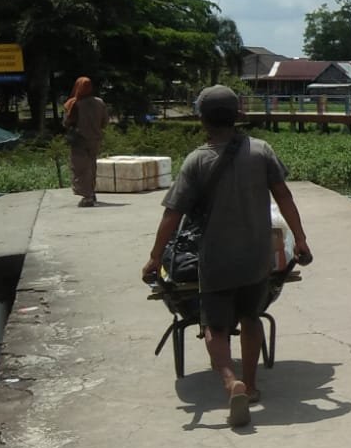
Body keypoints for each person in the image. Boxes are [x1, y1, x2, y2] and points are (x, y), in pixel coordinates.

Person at [141, 85, 312, 427]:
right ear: (237, 116)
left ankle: (228, 380)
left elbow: (172, 216)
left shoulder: (196, 161)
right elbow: (285, 198)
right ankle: (250, 386)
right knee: (251, 318)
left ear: (202, 120)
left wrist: (154, 258)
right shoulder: (261, 151)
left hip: (216, 261)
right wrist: (301, 240)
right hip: (257, 258)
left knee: (213, 327)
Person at [62, 76, 109, 207]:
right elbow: (105, 122)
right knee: (91, 166)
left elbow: (66, 122)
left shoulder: (73, 103)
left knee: (80, 168)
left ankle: (87, 196)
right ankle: (91, 192)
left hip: (79, 140)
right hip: (95, 140)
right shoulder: (100, 102)